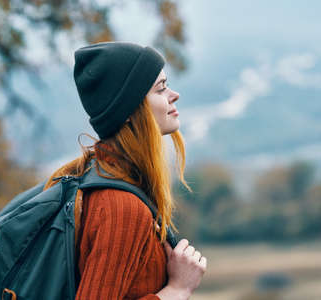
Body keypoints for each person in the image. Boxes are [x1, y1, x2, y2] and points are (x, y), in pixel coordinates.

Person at [43, 41, 207, 300]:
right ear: (130, 110)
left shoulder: (101, 178)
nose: (174, 95)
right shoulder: (122, 208)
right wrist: (177, 290)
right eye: (161, 89)